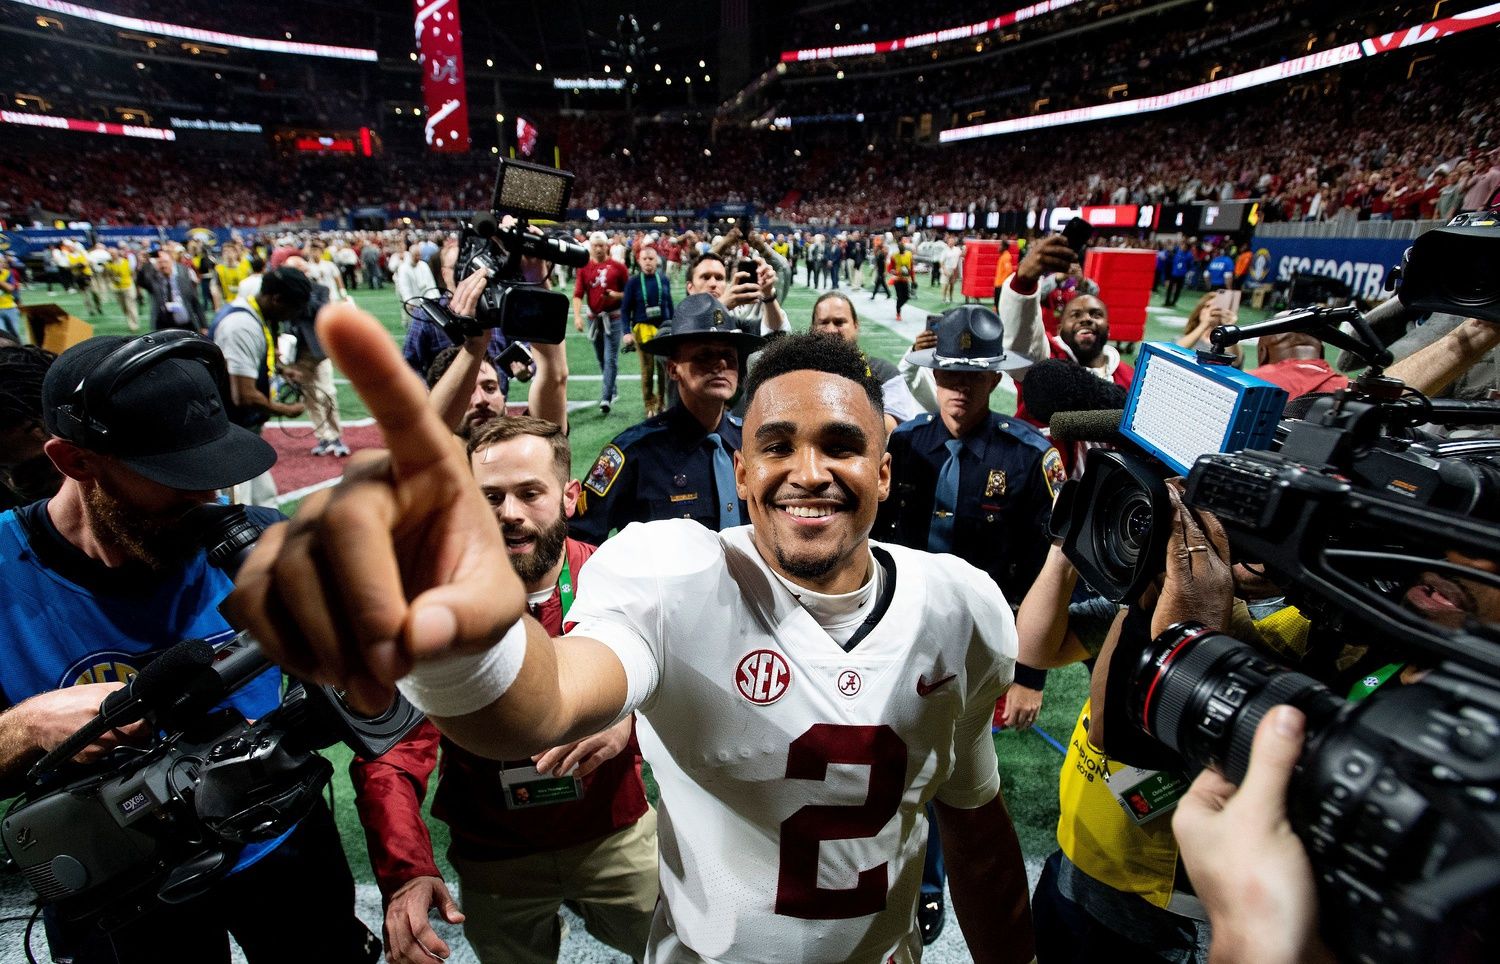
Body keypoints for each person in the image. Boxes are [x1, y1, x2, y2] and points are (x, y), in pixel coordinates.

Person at [226, 308, 1037, 964]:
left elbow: (974, 817)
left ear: (885, 473)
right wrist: (466, 644)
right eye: (777, 446)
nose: (810, 471)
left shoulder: (956, 605)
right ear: (744, 470)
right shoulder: (673, 571)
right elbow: (539, 707)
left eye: (842, 445)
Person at [0, 331, 378, 964]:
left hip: (279, 844)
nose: (207, 502)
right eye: (173, 479)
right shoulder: (7, 573)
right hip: (122, 889)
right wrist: (28, 724)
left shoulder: (254, 542)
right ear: (73, 460)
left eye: (213, 473)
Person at [351, 415, 658, 964]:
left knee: (674, 952)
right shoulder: (433, 609)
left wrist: (631, 704)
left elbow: (702, 686)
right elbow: (391, 754)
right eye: (490, 496)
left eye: (529, 493)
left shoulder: (618, 579)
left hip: (615, 835)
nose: (510, 514)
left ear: (568, 497)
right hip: (495, 854)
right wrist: (408, 870)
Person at [879, 305, 1061, 941]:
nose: (958, 388)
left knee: (958, 770)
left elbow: (1050, 569)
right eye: (948, 374)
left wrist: (1030, 673)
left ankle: (933, 888)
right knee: (899, 756)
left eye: (971, 377)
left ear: (996, 381)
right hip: (900, 630)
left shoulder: (1030, 457)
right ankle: (908, 878)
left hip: (983, 645)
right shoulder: (902, 445)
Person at [570, 293, 761, 544]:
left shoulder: (751, 442)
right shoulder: (635, 452)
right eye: (704, 355)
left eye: (729, 356)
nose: (720, 364)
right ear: (673, 369)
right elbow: (580, 538)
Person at [210, 267, 310, 506]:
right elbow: (244, 396)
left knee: (265, 503)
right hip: (230, 436)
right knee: (238, 512)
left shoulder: (254, 315)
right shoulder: (241, 326)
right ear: (276, 299)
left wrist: (281, 369)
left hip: (244, 435)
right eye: (293, 308)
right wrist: (286, 410)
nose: (291, 317)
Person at [809, 291, 920, 434]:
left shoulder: (883, 372)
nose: (831, 330)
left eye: (839, 322)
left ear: (856, 325)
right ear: (812, 329)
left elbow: (890, 428)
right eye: (823, 323)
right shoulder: (799, 372)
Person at [573, 232, 629, 414]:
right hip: (594, 319)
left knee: (610, 357)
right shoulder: (584, 267)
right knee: (600, 358)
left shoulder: (618, 268)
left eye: (601, 245)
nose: (598, 249)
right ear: (590, 247)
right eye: (595, 245)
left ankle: (606, 397)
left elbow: (629, 293)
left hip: (613, 317)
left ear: (607, 246)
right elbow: (578, 293)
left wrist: (616, 295)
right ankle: (612, 389)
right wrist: (577, 316)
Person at [621, 246, 674, 418]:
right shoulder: (633, 282)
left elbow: (670, 305)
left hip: (663, 331)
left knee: (664, 370)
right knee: (647, 370)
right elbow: (625, 310)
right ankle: (649, 404)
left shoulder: (664, 280)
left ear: (656, 260)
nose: (648, 262)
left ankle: (662, 403)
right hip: (642, 331)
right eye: (645, 259)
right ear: (639, 261)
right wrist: (626, 332)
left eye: (651, 258)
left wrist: (675, 326)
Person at [137, 247, 204, 332]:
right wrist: (144, 264)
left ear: (172, 262)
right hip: (164, 326)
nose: (163, 265)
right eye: (160, 263)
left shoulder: (183, 277)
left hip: (186, 324)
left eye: (165, 262)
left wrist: (203, 325)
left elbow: (195, 301)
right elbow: (142, 282)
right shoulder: (155, 280)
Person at [105, 246, 141, 332]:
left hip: (128, 286)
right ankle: (130, 319)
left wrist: (135, 285)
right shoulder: (108, 264)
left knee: (131, 306)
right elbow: (108, 275)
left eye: (113, 253)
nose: (112, 255)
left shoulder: (126, 262)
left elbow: (133, 273)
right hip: (117, 288)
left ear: (117, 254)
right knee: (124, 307)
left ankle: (133, 325)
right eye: (111, 254)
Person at [890, 238, 915, 322]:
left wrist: (913, 279)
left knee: (906, 297)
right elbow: (890, 268)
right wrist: (893, 271)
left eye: (902, 247)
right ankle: (898, 313)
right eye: (900, 248)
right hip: (897, 280)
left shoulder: (909, 255)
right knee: (899, 297)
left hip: (905, 279)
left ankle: (898, 307)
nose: (901, 249)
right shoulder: (894, 256)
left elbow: (911, 268)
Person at [1164, 239, 1193, 308]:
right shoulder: (1177, 252)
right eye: (1182, 245)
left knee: (1178, 289)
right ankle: (1167, 301)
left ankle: (1173, 302)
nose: (1183, 247)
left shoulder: (1189, 255)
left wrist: (1186, 271)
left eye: (1184, 246)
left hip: (1182, 275)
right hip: (1174, 273)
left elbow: (1190, 265)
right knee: (1169, 288)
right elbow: (1169, 259)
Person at [941, 236, 964, 303]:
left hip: (954, 269)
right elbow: (941, 262)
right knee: (945, 285)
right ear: (948, 242)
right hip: (946, 269)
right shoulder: (945, 250)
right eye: (950, 241)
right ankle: (944, 298)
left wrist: (966, 249)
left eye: (952, 241)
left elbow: (962, 255)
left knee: (952, 285)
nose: (951, 242)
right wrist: (944, 270)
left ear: (954, 242)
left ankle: (950, 297)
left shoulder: (957, 249)